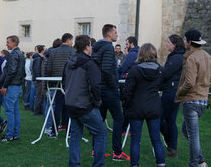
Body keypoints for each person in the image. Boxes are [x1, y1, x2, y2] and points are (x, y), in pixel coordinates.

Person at [175, 29, 211, 167]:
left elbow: (189, 82)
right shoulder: (207, 56)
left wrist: (179, 93)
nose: (183, 41)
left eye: (184, 39)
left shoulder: (191, 58)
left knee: (193, 135)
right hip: (202, 102)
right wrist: (203, 82)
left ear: (189, 42)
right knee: (186, 130)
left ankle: (194, 163)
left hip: (191, 101)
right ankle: (200, 160)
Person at [63, 35, 107, 167]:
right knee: (101, 133)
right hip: (84, 105)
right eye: (91, 45)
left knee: (76, 135)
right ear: (87, 47)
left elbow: (64, 81)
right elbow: (95, 86)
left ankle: (74, 164)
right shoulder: (89, 64)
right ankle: (98, 164)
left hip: (71, 104)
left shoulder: (70, 62)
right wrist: (97, 101)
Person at [123, 43, 166, 167]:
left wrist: (126, 105)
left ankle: (134, 165)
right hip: (153, 107)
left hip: (137, 106)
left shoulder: (135, 70)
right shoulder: (160, 70)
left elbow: (127, 91)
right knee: (156, 139)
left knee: (136, 140)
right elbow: (164, 85)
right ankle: (161, 164)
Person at [92, 24, 127, 161]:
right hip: (107, 89)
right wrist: (114, 86)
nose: (117, 35)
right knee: (119, 118)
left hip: (100, 88)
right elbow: (106, 70)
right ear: (109, 34)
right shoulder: (107, 47)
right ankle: (117, 153)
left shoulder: (97, 47)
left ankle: (96, 150)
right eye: (115, 32)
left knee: (100, 119)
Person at [160, 34, 186, 158]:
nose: (166, 44)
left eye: (168, 42)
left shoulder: (176, 57)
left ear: (174, 45)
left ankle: (170, 141)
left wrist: (156, 69)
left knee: (158, 117)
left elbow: (166, 73)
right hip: (173, 90)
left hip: (171, 91)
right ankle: (172, 149)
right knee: (170, 120)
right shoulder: (177, 56)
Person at [47, 33, 76, 137]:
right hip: (68, 82)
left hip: (57, 82)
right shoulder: (73, 51)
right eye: (71, 41)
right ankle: (69, 131)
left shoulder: (53, 51)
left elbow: (49, 68)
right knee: (68, 106)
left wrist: (51, 81)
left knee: (57, 106)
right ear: (68, 40)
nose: (72, 43)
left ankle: (54, 130)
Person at [0, 35, 25, 142]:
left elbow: (11, 72)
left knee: (10, 112)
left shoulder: (13, 54)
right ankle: (15, 134)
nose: (6, 44)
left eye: (8, 42)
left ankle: (9, 135)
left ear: (14, 42)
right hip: (17, 86)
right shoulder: (20, 54)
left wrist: (5, 86)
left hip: (12, 86)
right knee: (15, 111)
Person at [32, 45, 45, 115]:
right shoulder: (38, 59)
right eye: (44, 49)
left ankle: (39, 110)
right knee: (39, 96)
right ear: (42, 50)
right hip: (38, 80)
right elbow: (37, 70)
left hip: (38, 79)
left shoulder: (39, 58)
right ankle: (36, 111)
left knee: (40, 95)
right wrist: (39, 79)